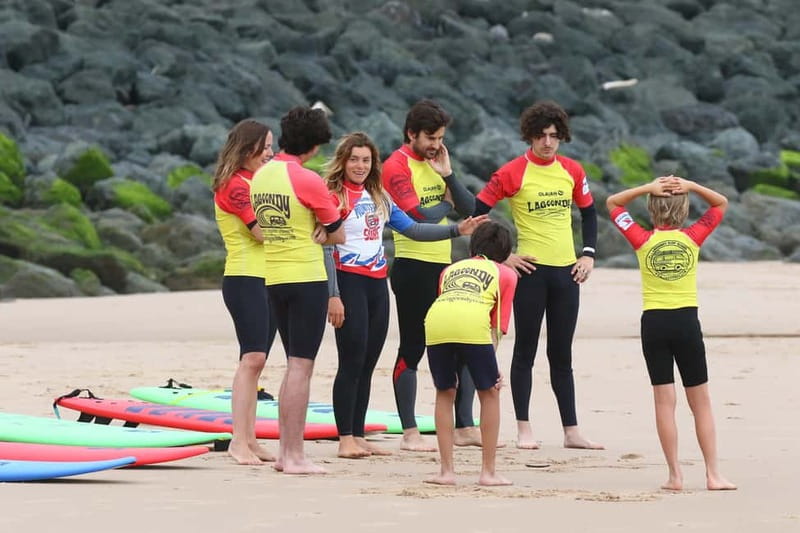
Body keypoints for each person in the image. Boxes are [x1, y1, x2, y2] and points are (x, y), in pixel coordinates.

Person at [323, 132, 488, 459]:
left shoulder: (379, 196)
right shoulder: (334, 197)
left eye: (366, 160)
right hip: (348, 281)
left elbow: (412, 228)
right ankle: (345, 438)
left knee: (369, 361)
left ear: (373, 164)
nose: (359, 165)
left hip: (376, 283)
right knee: (352, 360)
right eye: (354, 159)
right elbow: (327, 249)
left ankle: (357, 433)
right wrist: (333, 295)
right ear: (343, 161)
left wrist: (457, 230)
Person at [474, 100, 602, 450]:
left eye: (554, 136)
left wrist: (588, 255)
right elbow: (477, 214)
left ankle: (571, 430)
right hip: (529, 273)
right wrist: (506, 257)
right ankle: (524, 428)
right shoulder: (512, 172)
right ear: (529, 137)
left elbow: (590, 215)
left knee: (562, 354)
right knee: (525, 351)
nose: (548, 142)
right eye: (541, 136)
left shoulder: (572, 171)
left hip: (567, 273)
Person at [606, 176, 736, 491]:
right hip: (686, 323)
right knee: (700, 401)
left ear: (652, 209)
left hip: (654, 324)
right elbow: (721, 203)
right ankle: (712, 475)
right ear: (685, 208)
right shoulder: (694, 236)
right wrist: (690, 184)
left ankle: (675, 475)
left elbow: (613, 203)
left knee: (665, 401)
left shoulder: (640, 238)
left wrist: (645, 187)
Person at [249, 106, 345, 475]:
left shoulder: (261, 175)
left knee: (292, 367)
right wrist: (324, 229)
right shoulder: (306, 179)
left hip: (273, 277)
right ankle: (293, 455)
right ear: (316, 145)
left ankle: (285, 453)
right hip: (306, 278)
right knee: (301, 367)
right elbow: (337, 232)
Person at [381, 99, 480, 451]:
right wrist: (447, 206)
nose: (436, 144)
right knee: (413, 346)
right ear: (411, 134)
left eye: (440, 137)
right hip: (412, 267)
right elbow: (417, 218)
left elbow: (471, 208)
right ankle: (409, 431)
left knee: (460, 342)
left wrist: (449, 175)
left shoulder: (437, 162)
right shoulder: (395, 166)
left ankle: (465, 426)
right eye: (430, 137)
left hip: (443, 267)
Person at [424, 221, 518, 486]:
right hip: (471, 324)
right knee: (489, 393)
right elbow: (497, 325)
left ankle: (446, 472)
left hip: (436, 322)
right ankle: (488, 472)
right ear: (506, 251)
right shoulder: (506, 274)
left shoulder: (449, 270)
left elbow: (448, 301)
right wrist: (493, 367)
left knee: (445, 392)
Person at [212, 119, 278, 465]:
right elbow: (260, 233)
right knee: (251, 359)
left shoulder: (260, 181)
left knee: (258, 362)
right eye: (266, 146)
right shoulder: (235, 185)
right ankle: (239, 441)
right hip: (245, 278)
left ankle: (251, 439)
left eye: (272, 146)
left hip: (270, 279)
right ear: (249, 147)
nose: (271, 153)